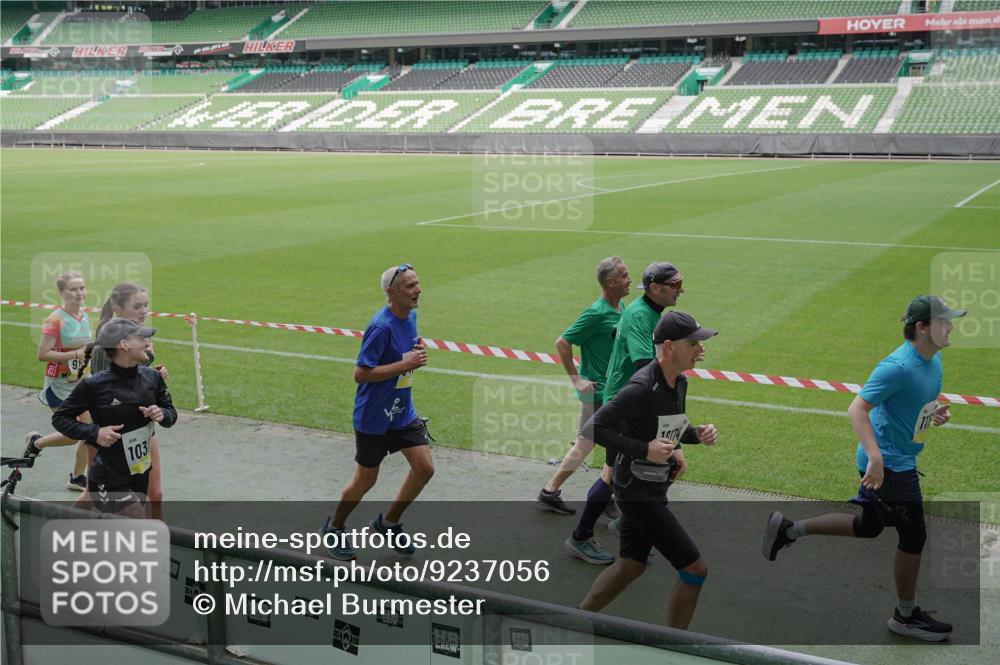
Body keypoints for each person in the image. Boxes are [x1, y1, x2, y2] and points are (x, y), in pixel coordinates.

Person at [762, 295, 965, 642]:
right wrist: (875, 457)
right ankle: (905, 616)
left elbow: (911, 405)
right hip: (888, 466)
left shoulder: (934, 359)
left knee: (868, 526)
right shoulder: (897, 366)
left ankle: (789, 530)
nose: (951, 327)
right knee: (914, 535)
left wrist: (932, 415)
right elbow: (857, 409)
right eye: (944, 321)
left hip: (897, 458)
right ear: (921, 328)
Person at [578, 311, 719, 630]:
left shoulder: (678, 382)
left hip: (652, 487)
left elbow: (669, 427)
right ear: (669, 347)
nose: (701, 350)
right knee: (695, 569)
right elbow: (594, 428)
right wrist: (644, 450)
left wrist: (696, 434)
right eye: (694, 343)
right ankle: (674, 646)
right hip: (636, 493)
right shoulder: (642, 386)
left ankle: (575, 619)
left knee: (631, 565)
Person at [567, 261, 685, 561]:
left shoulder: (649, 313)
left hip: (632, 403)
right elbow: (644, 368)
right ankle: (581, 536)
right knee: (612, 475)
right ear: (656, 288)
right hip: (625, 406)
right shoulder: (639, 317)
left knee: (667, 464)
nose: (681, 289)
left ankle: (628, 520)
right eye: (675, 284)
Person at [321, 264, 434, 561]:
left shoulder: (410, 315)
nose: (418, 289)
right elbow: (361, 373)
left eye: (417, 283)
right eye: (410, 286)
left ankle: (388, 523)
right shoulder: (380, 326)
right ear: (391, 291)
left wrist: (415, 351)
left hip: (402, 412)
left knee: (425, 468)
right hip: (374, 417)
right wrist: (406, 363)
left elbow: (404, 354)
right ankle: (334, 527)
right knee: (366, 480)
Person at [51, 318, 177, 517]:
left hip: (139, 474)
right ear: (124, 345)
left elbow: (171, 413)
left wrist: (162, 414)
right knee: (136, 520)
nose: (147, 343)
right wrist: (95, 432)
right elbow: (60, 418)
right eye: (141, 338)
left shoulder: (152, 378)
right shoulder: (94, 385)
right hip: (108, 478)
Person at [24, 271, 92, 491]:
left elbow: (85, 350)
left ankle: (77, 478)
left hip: (81, 384)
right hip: (59, 387)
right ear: (62, 293)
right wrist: (74, 355)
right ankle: (37, 442)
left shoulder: (85, 316)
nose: (79, 292)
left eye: (82, 288)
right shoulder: (55, 319)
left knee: (90, 430)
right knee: (74, 435)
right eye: (74, 289)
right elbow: (43, 354)